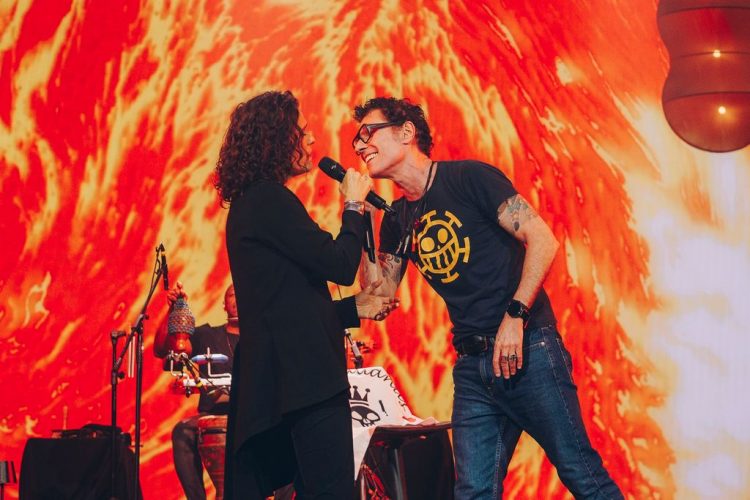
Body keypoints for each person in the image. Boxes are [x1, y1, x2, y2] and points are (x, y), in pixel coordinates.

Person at [351, 97, 623, 499]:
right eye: (356, 140)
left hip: (528, 350)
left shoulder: (469, 178)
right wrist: (357, 214)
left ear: (406, 132)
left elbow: (542, 239)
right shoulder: (396, 219)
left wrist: (516, 316)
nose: (360, 146)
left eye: (367, 133)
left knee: (582, 474)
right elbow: (378, 300)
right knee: (473, 492)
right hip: (473, 366)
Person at [213, 90, 398, 499]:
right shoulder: (268, 200)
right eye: (303, 131)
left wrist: (355, 308)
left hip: (291, 383)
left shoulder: (255, 204)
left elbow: (290, 307)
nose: (312, 139)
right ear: (276, 139)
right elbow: (339, 264)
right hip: (307, 383)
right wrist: (353, 206)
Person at [154, 282, 239, 500]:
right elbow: (163, 349)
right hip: (213, 415)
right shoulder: (207, 335)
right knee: (182, 432)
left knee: (289, 433)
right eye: (232, 294)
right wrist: (172, 311)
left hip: (253, 416)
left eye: (242, 292)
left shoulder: (261, 338)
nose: (237, 299)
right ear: (224, 304)